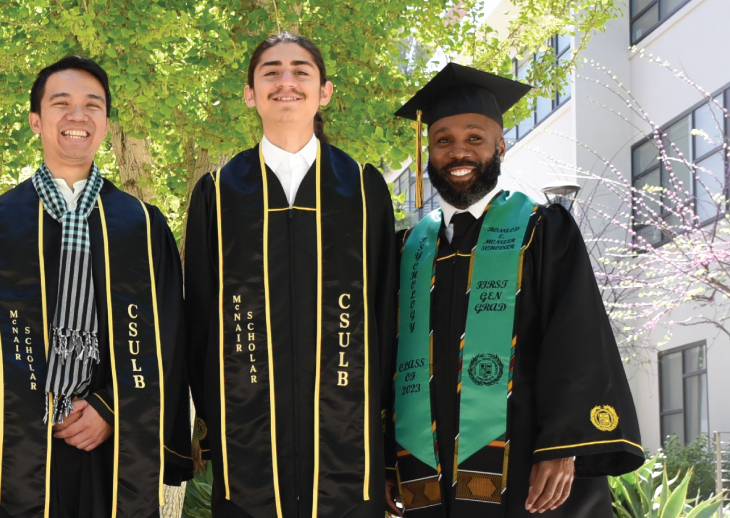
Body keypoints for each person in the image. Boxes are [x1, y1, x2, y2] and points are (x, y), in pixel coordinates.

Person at [387, 62, 643, 518]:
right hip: (427, 475)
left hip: (524, 464)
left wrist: (563, 445)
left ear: (500, 147)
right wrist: (390, 457)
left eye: (474, 138)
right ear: (429, 153)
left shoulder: (541, 231)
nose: (458, 152)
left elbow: (576, 337)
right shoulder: (407, 250)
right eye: (443, 140)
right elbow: (386, 357)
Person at [0, 55, 191, 517]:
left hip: (114, 445)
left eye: (92, 106)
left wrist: (111, 408)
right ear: (36, 120)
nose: (77, 116)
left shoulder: (141, 226)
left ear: (104, 123)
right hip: (14, 449)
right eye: (62, 104)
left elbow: (168, 337)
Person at [182, 32, 397, 518]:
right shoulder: (217, 194)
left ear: (325, 91)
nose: (286, 82)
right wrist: (215, 427)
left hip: (348, 450)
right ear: (249, 93)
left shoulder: (362, 189)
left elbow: (386, 310)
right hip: (247, 450)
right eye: (270, 71)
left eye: (301, 70)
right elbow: (199, 321)